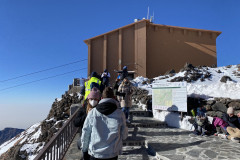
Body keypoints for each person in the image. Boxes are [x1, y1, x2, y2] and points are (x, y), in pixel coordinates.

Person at [81, 87, 128, 160]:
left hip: (95, 153)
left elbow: (86, 133)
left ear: (102, 98)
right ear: (114, 97)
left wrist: (84, 150)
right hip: (112, 153)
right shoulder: (120, 114)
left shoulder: (93, 112)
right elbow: (124, 135)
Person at [74, 87, 101, 160]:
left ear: (98, 100)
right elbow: (76, 123)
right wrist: (87, 115)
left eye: (95, 99)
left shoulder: (100, 109)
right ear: (88, 99)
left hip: (97, 140)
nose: (93, 101)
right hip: (85, 138)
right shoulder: (83, 109)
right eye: (91, 99)